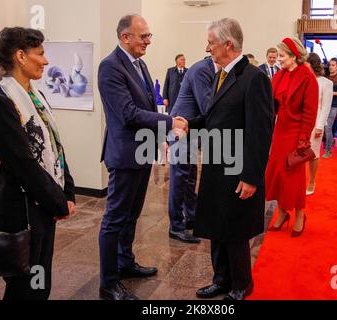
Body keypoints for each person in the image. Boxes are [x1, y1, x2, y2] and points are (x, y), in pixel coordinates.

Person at [0, 27, 76, 300]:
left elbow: (55, 145)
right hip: (22, 212)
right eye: (41, 54)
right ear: (21, 56)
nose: (46, 61)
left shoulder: (36, 97)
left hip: (43, 207)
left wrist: (67, 191)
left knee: (40, 282)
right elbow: (24, 164)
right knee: (23, 287)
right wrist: (58, 201)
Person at [98, 14, 187, 300]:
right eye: (143, 36)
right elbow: (128, 113)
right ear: (125, 37)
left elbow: (148, 103)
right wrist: (170, 122)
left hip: (142, 151)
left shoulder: (140, 63)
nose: (148, 41)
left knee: (132, 214)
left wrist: (160, 138)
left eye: (149, 36)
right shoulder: (110, 67)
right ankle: (108, 283)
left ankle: (125, 261)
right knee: (115, 218)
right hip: (124, 155)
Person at [186, 18, 273, 300]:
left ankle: (241, 284)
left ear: (228, 44)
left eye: (211, 42)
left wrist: (251, 177)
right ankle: (221, 279)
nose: (207, 48)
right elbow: (213, 117)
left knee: (234, 232)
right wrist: (189, 124)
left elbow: (261, 133)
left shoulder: (254, 78)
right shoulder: (220, 74)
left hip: (237, 170)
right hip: (216, 167)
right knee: (216, 226)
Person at [265, 37, 318, 237]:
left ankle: (299, 215)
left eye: (282, 56)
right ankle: (282, 213)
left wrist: (304, 139)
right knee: (278, 174)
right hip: (280, 131)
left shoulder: (307, 77)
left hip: (296, 133)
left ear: (294, 56)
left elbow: (310, 112)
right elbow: (271, 103)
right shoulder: (280, 75)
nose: (278, 59)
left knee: (293, 178)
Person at [168, 56, 218, 244]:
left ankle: (191, 216)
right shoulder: (201, 70)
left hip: (191, 129)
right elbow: (207, 107)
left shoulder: (208, 68)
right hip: (180, 129)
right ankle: (176, 226)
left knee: (189, 176)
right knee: (179, 178)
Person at [306, 53, 333, 196]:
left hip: (316, 122)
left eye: (306, 63)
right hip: (302, 121)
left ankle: (312, 180)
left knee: (313, 155)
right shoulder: (303, 79)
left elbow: (325, 107)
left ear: (313, 64)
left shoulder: (326, 83)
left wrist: (319, 126)